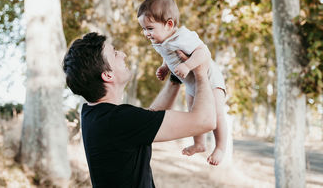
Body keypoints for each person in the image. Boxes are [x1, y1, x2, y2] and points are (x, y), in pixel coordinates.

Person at [63, 32, 216, 187]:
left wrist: (175, 77)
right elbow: (205, 121)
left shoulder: (94, 114)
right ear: (108, 75)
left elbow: (149, 118)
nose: (123, 54)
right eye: (115, 54)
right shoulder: (118, 120)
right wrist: (200, 72)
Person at [137, 0, 227, 166]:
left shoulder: (183, 37)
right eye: (143, 29)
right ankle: (200, 144)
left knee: (216, 113)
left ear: (169, 24)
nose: (145, 33)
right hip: (192, 83)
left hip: (210, 78)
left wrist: (187, 66)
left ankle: (220, 147)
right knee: (194, 111)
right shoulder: (161, 40)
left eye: (149, 28)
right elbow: (168, 55)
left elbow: (203, 52)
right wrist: (164, 67)